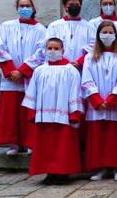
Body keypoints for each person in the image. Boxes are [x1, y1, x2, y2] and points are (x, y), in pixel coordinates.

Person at [0, 0, 46, 155]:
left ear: (33, 8)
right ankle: (13, 143)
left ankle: (30, 142)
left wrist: (22, 71)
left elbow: (41, 53)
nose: (25, 8)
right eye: (21, 6)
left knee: (28, 109)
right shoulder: (6, 26)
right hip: (10, 78)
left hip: (29, 76)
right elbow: (0, 48)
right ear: (17, 8)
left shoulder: (41, 29)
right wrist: (11, 71)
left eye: (28, 5)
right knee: (11, 111)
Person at [22, 38, 83, 184]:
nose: (52, 51)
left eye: (56, 48)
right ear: (45, 50)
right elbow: (32, 93)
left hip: (63, 115)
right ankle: (49, 172)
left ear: (63, 50)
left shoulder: (70, 70)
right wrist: (32, 113)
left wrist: (74, 114)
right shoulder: (39, 70)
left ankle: (63, 173)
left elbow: (76, 92)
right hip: (43, 115)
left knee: (63, 145)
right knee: (46, 146)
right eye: (49, 48)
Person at [81, 21, 117, 181]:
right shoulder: (90, 57)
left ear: (116, 36)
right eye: (104, 32)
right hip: (97, 105)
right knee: (98, 136)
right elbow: (86, 80)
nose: (107, 35)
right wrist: (97, 99)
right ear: (98, 35)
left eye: (111, 32)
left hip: (116, 104)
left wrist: (112, 99)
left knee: (116, 136)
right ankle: (100, 168)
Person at [26, 0, 95, 72]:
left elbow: (93, 47)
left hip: (81, 69)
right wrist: (64, 63)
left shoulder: (89, 27)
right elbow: (46, 47)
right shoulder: (54, 26)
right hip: (58, 69)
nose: (74, 7)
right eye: (71, 5)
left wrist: (79, 62)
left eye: (77, 5)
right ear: (65, 7)